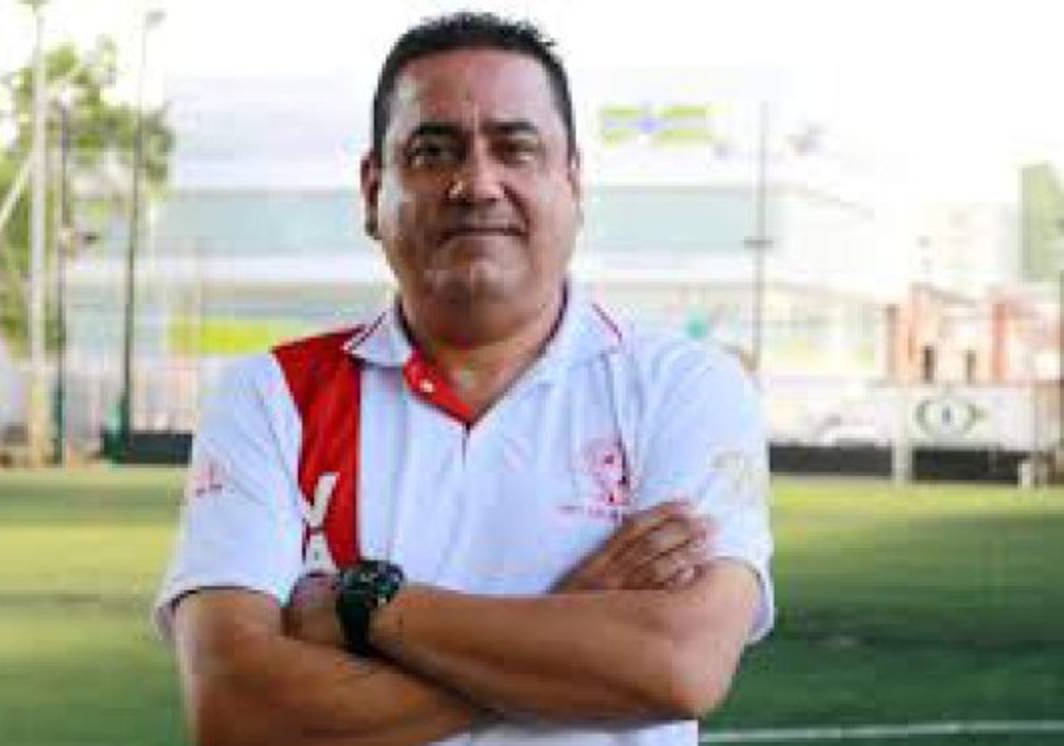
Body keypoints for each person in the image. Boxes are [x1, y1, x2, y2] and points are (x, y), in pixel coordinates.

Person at [154, 12, 773, 746]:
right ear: (372, 190)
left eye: (516, 148)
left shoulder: (683, 387)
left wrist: (367, 608)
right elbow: (236, 708)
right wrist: (573, 624)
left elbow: (680, 664)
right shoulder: (271, 396)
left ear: (573, 182)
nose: (477, 184)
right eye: (433, 151)